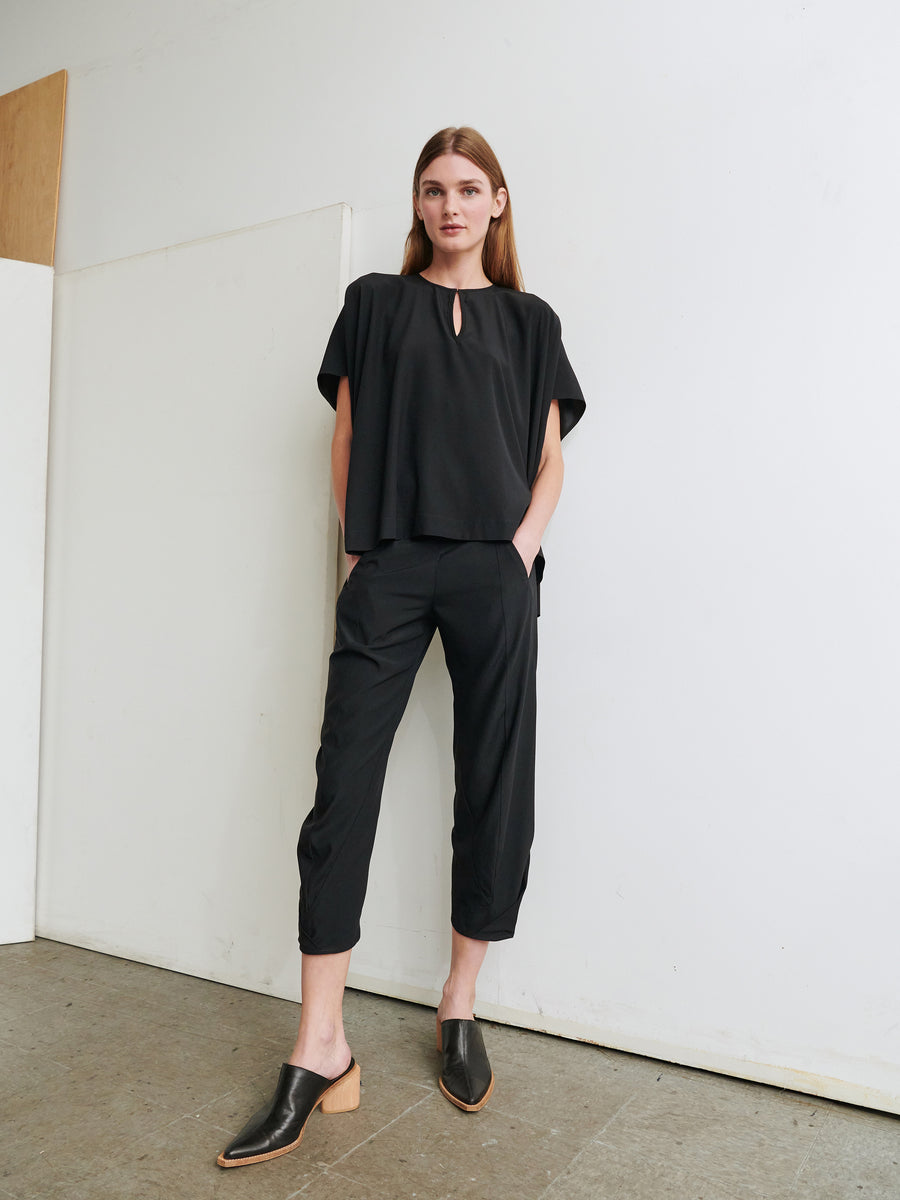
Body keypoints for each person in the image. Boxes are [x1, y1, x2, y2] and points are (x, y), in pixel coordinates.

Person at [217, 126, 586, 1169]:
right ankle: (319, 1044)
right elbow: (345, 436)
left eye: (470, 189)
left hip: (492, 570)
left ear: (498, 204)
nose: (451, 205)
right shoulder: (373, 305)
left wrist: (515, 555)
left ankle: (460, 1003)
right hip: (389, 565)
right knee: (343, 790)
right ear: (416, 204)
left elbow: (551, 458)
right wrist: (356, 556)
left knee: (492, 782)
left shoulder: (530, 321)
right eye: (434, 189)